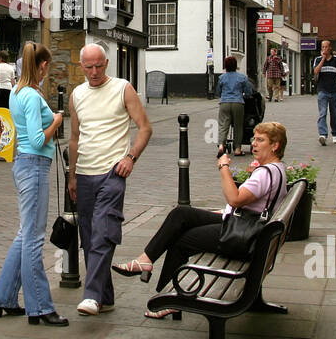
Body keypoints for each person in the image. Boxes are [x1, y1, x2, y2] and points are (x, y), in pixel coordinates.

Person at [113, 122, 289, 317]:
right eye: (254, 139)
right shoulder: (277, 169)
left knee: (181, 240)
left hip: (242, 238)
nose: (254, 144)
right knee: (182, 213)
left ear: (275, 145)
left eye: (260, 140)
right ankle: (146, 261)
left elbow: (235, 199)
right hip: (249, 229)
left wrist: (223, 167)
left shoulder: (264, 173)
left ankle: (170, 298)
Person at [67, 43, 152, 316]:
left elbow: (145, 128)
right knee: (89, 237)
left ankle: (91, 296)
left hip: (113, 172)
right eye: (88, 67)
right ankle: (106, 297)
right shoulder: (77, 94)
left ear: (107, 64)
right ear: (81, 67)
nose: (94, 72)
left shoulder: (122, 88)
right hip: (84, 173)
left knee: (104, 230)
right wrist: (71, 176)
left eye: (99, 66)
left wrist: (130, 158)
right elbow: (75, 138)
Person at [0, 42, 68, 326]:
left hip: (22, 163)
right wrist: (57, 121)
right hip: (35, 165)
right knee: (34, 238)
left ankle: (3, 299)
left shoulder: (16, 93)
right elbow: (37, 139)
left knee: (24, 234)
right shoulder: (33, 97)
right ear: (43, 65)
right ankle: (41, 307)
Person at [215, 56, 253, 154]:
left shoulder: (221, 77)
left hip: (224, 103)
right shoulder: (242, 77)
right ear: (236, 65)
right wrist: (245, 95)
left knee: (223, 125)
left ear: (225, 66)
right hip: (238, 103)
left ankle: (221, 146)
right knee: (238, 126)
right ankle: (237, 149)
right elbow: (248, 92)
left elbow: (218, 92)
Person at [313, 40, 336, 146]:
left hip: (334, 91)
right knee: (322, 113)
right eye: (322, 47)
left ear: (330, 48)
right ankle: (322, 135)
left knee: (335, 113)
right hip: (323, 91)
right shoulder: (317, 59)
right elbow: (316, 71)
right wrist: (323, 58)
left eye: (326, 47)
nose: (324, 49)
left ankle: (335, 134)